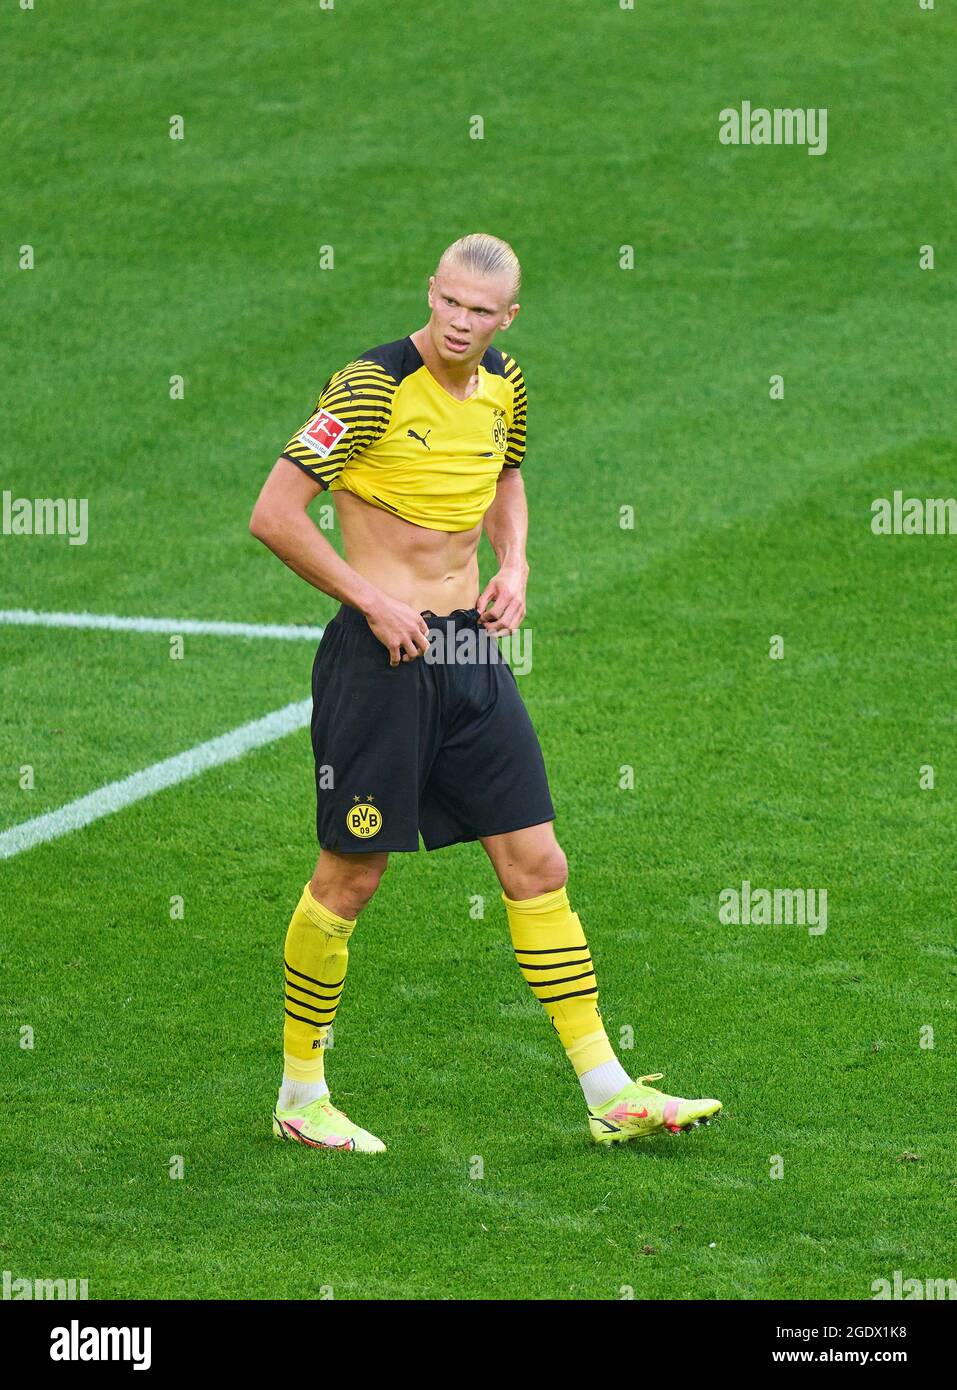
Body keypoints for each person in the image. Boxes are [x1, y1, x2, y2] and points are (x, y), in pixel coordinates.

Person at [249, 232, 721, 1152]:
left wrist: (516, 562)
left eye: (480, 312)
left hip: (469, 658)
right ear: (430, 292)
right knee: (349, 880)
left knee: (538, 864)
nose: (460, 324)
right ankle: (300, 1094)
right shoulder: (369, 385)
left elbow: (505, 474)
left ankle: (607, 1089)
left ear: (507, 317)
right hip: (377, 662)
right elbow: (273, 515)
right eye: (449, 304)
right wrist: (372, 597)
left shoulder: (504, 380)